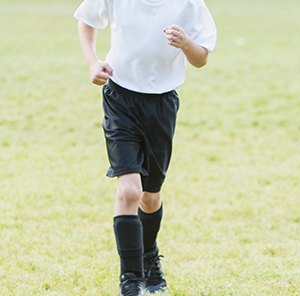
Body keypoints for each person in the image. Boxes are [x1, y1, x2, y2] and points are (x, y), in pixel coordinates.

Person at [74, 0, 216, 294]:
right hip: (120, 97)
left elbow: (201, 57)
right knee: (129, 191)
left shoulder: (188, 3)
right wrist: (92, 62)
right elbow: (86, 20)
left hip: (161, 105)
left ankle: (149, 257)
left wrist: (186, 43)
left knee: (150, 198)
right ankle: (131, 280)